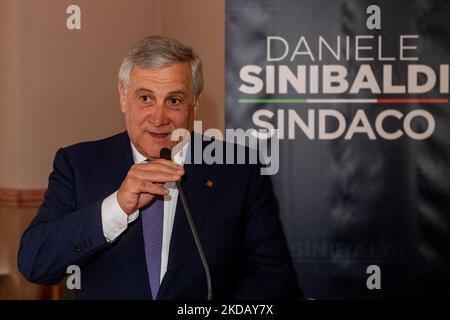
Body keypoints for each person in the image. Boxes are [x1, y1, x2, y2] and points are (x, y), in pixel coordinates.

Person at [17, 35, 300, 299]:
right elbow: (35, 263)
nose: (159, 117)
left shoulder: (238, 169)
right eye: (145, 98)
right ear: (123, 98)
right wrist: (116, 206)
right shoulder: (78, 164)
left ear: (195, 104)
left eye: (174, 100)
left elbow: (272, 277)